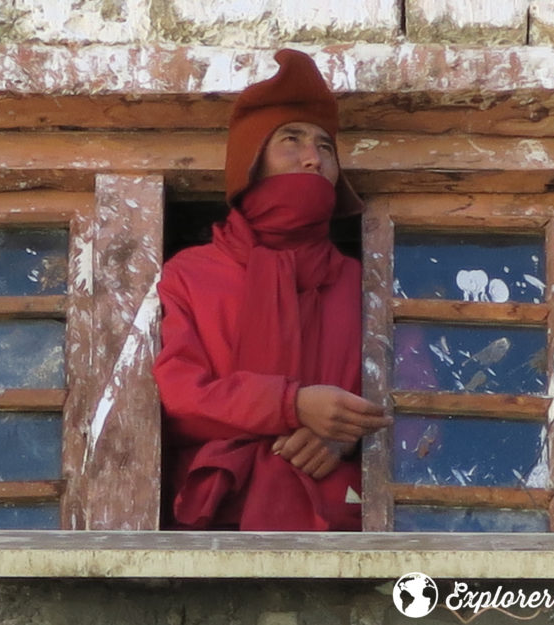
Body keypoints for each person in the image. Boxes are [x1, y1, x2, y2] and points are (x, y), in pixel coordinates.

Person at [154, 49, 391, 531]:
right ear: (251, 162)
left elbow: (418, 401)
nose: (313, 158)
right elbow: (175, 399)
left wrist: (345, 436)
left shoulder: (363, 283)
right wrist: (292, 406)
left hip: (337, 518)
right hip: (213, 520)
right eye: (292, 140)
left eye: (327, 148)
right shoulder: (191, 274)